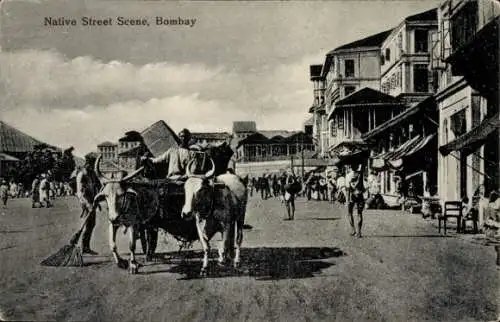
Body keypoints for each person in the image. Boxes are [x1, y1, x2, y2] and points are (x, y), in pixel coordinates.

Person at [76, 155, 102, 255]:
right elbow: (80, 193)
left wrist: (96, 202)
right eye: (92, 163)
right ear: (88, 163)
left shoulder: (91, 174)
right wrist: (88, 204)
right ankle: (83, 246)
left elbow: (95, 188)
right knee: (87, 224)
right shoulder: (81, 174)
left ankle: (86, 246)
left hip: (92, 202)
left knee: (92, 224)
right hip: (85, 202)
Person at [345, 164, 366, 238]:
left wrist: (347, 200)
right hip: (360, 195)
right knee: (359, 214)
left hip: (352, 195)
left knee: (349, 212)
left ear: (350, 167)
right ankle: (359, 232)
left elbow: (347, 189)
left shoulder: (348, 176)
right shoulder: (361, 174)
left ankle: (353, 229)